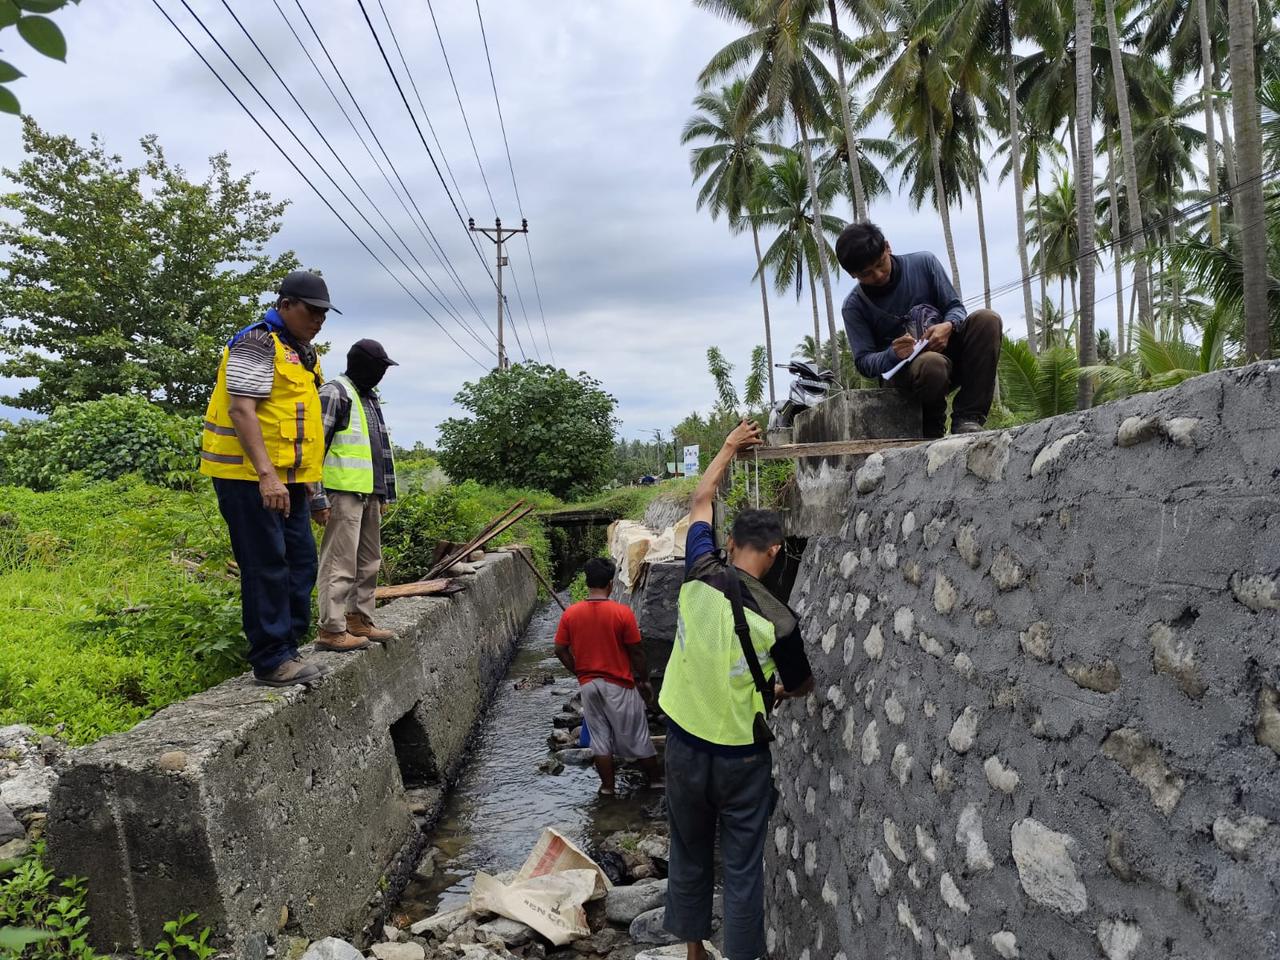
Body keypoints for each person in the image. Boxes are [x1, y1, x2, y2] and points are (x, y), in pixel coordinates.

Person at [660, 421, 815, 960]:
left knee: (689, 848)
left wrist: (729, 446)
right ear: (774, 552)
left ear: (729, 544)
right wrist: (774, 687)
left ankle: (694, 952)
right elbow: (802, 686)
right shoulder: (782, 621)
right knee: (744, 867)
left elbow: (703, 498)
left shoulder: (699, 571)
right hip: (741, 759)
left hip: (681, 744)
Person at [200, 270, 339, 687]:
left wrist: (313, 493)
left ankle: (289, 647)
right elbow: (242, 410)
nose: (319, 320)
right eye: (311, 311)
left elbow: (303, 428)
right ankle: (271, 657)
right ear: (285, 305)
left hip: (291, 481)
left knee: (300, 560)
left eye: (324, 314)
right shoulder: (256, 343)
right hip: (249, 478)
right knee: (265, 564)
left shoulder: (302, 353)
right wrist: (266, 476)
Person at [836, 221, 1001, 438]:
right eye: (867, 273)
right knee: (932, 363)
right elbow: (864, 362)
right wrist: (891, 354)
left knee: (987, 320)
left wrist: (948, 326)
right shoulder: (854, 306)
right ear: (853, 275)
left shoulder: (924, 263)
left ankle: (968, 418)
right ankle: (931, 428)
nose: (878, 275)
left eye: (880, 263)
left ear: (887, 247)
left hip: (950, 357)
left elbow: (955, 307)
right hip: (907, 378)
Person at [312, 339, 400, 650]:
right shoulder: (335, 392)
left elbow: (379, 450)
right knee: (339, 562)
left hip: (369, 493)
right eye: (379, 368)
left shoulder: (369, 398)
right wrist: (317, 497)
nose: (381, 374)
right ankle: (331, 628)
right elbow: (314, 448)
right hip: (343, 492)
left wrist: (384, 494)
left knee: (368, 561)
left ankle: (358, 619)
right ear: (363, 365)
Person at [554, 557, 661, 796]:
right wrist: (643, 681)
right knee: (637, 735)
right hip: (619, 685)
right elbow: (636, 651)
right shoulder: (622, 613)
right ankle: (655, 782)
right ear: (611, 584)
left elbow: (559, 649)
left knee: (600, 740)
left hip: (589, 686)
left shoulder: (571, 614)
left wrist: (578, 671)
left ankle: (607, 787)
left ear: (587, 582)